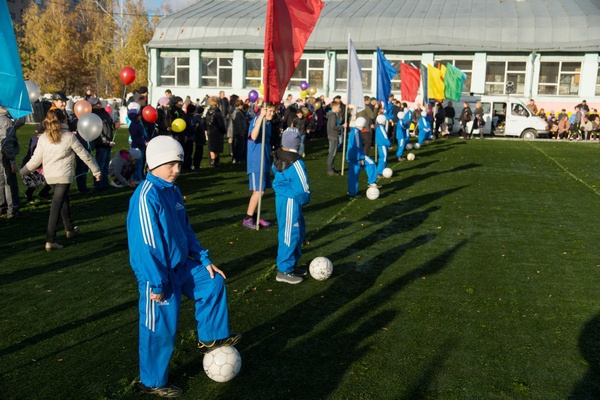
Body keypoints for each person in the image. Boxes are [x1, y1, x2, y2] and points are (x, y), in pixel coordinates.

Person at [126, 135, 241, 397]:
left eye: (179, 164)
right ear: (155, 163)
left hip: (181, 267)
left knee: (212, 281)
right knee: (160, 329)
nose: (177, 170)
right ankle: (152, 382)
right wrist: (156, 283)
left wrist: (204, 259)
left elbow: (185, 231)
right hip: (158, 276)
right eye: (171, 164)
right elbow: (145, 247)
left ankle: (211, 337)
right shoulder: (146, 196)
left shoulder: (173, 190)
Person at [20, 110, 101, 251]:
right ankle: (50, 240)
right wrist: (96, 170)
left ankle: (69, 229)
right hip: (63, 176)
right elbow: (84, 155)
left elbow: (35, 160)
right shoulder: (69, 136)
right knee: (56, 205)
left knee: (63, 200)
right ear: (63, 120)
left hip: (50, 176)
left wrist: (23, 171)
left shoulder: (44, 138)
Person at [272, 128, 311, 285]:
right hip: (290, 201)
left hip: (283, 199)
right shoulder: (296, 163)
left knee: (296, 231)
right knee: (290, 233)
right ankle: (284, 270)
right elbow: (303, 188)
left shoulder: (277, 156)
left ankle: (292, 265)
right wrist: (305, 199)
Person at [243, 103, 276, 230]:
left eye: (273, 111)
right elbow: (253, 136)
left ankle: (256, 217)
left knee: (261, 190)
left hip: (265, 160)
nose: (271, 114)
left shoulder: (268, 124)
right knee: (259, 191)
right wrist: (261, 116)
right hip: (256, 161)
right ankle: (247, 218)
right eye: (269, 111)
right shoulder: (257, 120)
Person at [346, 117, 379, 198]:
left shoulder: (353, 131)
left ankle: (352, 192)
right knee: (371, 163)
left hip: (351, 156)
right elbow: (357, 146)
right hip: (357, 156)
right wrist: (361, 158)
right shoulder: (357, 132)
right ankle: (372, 181)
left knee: (353, 175)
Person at [90, 97, 118, 190]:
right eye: (96, 103)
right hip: (101, 144)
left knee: (106, 165)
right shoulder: (93, 115)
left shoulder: (104, 113)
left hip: (108, 143)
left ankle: (105, 183)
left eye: (99, 102)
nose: (99, 104)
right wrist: (107, 142)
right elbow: (98, 132)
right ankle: (98, 185)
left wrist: (114, 125)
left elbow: (109, 125)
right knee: (100, 165)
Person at [0, 107, 23, 218]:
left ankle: (2, 207)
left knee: (1, 181)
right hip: (4, 155)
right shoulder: (6, 120)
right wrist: (12, 160)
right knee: (10, 182)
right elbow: (7, 143)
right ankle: (13, 210)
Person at [21, 123, 52, 202]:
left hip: (36, 163)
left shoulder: (35, 138)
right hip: (36, 164)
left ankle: (40, 193)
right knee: (38, 180)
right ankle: (34, 194)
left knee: (37, 181)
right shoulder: (37, 141)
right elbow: (34, 154)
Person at [128, 108, 149, 183]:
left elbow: (142, 134)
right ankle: (137, 178)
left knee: (141, 163)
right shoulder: (134, 126)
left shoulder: (138, 124)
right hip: (137, 147)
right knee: (138, 163)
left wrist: (145, 140)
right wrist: (143, 142)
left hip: (141, 146)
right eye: (139, 115)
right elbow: (135, 138)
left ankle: (139, 176)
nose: (140, 116)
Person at [205, 97, 226, 167]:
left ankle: (213, 160)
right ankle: (215, 161)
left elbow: (206, 122)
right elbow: (220, 123)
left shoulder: (208, 112)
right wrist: (223, 130)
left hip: (210, 131)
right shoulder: (217, 112)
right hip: (217, 131)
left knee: (211, 147)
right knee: (217, 147)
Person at [326, 101, 345, 176]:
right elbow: (333, 126)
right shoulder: (333, 116)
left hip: (333, 135)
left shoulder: (333, 115)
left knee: (333, 152)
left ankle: (331, 168)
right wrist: (342, 126)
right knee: (332, 153)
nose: (339, 109)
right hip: (333, 136)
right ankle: (330, 169)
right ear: (334, 107)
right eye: (338, 107)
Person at [230, 99, 248, 164]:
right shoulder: (237, 112)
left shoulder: (238, 112)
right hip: (239, 132)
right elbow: (238, 124)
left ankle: (236, 158)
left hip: (239, 131)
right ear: (240, 105)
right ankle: (238, 159)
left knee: (238, 146)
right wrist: (241, 132)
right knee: (240, 146)